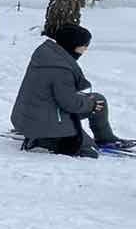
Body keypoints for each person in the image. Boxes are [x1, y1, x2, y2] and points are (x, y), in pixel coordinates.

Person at [11, 24, 132, 156]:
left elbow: (63, 96)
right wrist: (90, 104)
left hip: (38, 112)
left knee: (99, 100)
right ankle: (42, 140)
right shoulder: (60, 68)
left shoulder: (49, 55)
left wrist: (91, 102)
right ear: (72, 45)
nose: (86, 49)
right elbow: (70, 104)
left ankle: (105, 138)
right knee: (89, 151)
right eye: (84, 45)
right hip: (44, 121)